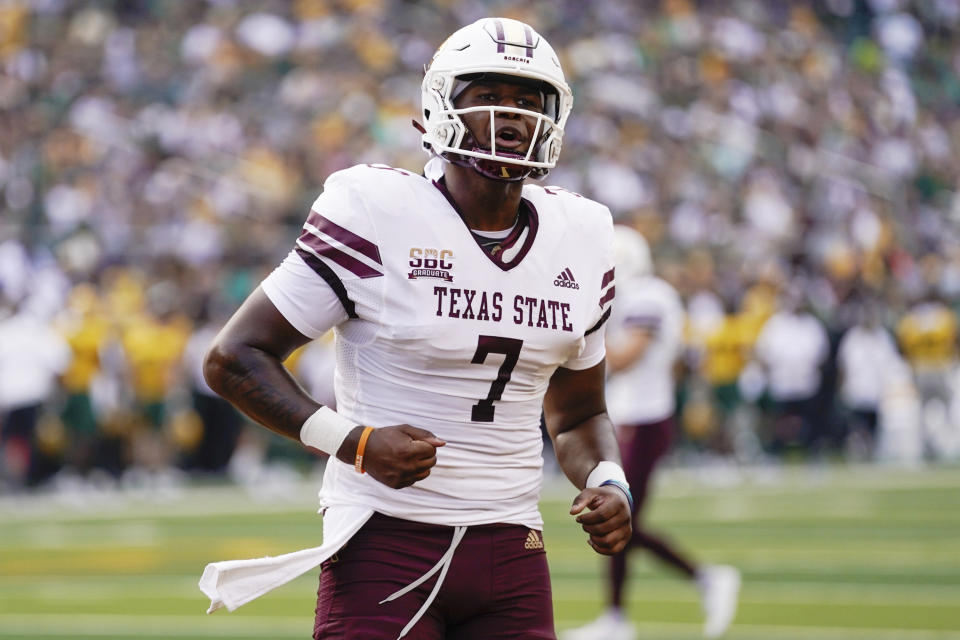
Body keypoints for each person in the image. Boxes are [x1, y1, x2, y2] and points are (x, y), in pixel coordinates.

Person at [198, 17, 632, 640]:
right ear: (436, 111)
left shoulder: (583, 235)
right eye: (487, 97)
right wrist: (355, 442)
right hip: (384, 539)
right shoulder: (377, 212)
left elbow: (580, 415)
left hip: (514, 547)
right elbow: (234, 356)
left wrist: (609, 481)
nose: (511, 117)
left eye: (528, 101)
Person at [563, 226, 740, 640]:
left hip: (645, 419)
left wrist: (575, 344)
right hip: (630, 417)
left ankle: (705, 579)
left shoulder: (649, 294)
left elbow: (625, 357)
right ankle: (617, 617)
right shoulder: (638, 295)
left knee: (620, 518)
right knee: (616, 517)